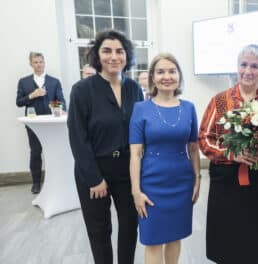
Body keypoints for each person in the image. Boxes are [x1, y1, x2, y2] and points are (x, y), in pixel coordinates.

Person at [199, 44, 258, 264]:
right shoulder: (219, 101)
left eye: (255, 66)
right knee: (225, 236)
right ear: (237, 67)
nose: (248, 70)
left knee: (254, 235)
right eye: (244, 64)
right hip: (226, 180)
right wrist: (230, 154)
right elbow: (204, 139)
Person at [67, 30, 143, 264]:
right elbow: (77, 137)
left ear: (126, 55)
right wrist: (93, 178)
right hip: (95, 170)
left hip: (127, 169)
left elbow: (140, 131)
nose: (113, 56)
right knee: (100, 231)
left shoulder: (133, 88)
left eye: (119, 51)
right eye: (106, 50)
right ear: (97, 56)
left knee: (130, 227)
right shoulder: (82, 90)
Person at [129, 53, 200, 264]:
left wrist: (197, 179)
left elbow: (194, 148)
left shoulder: (188, 108)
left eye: (172, 71)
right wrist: (136, 191)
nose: (166, 76)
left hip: (181, 182)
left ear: (179, 76)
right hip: (151, 183)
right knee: (152, 240)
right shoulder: (140, 109)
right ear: (152, 77)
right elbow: (135, 153)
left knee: (175, 236)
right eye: (160, 72)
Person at [16, 51, 66, 194]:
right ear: (30, 64)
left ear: (44, 62)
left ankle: (58, 180)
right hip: (33, 124)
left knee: (56, 152)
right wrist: (32, 95)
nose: (39, 65)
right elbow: (19, 102)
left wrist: (59, 109)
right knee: (36, 152)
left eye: (41, 62)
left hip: (53, 123)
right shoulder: (23, 82)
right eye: (36, 62)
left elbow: (61, 99)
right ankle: (36, 183)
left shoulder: (54, 81)